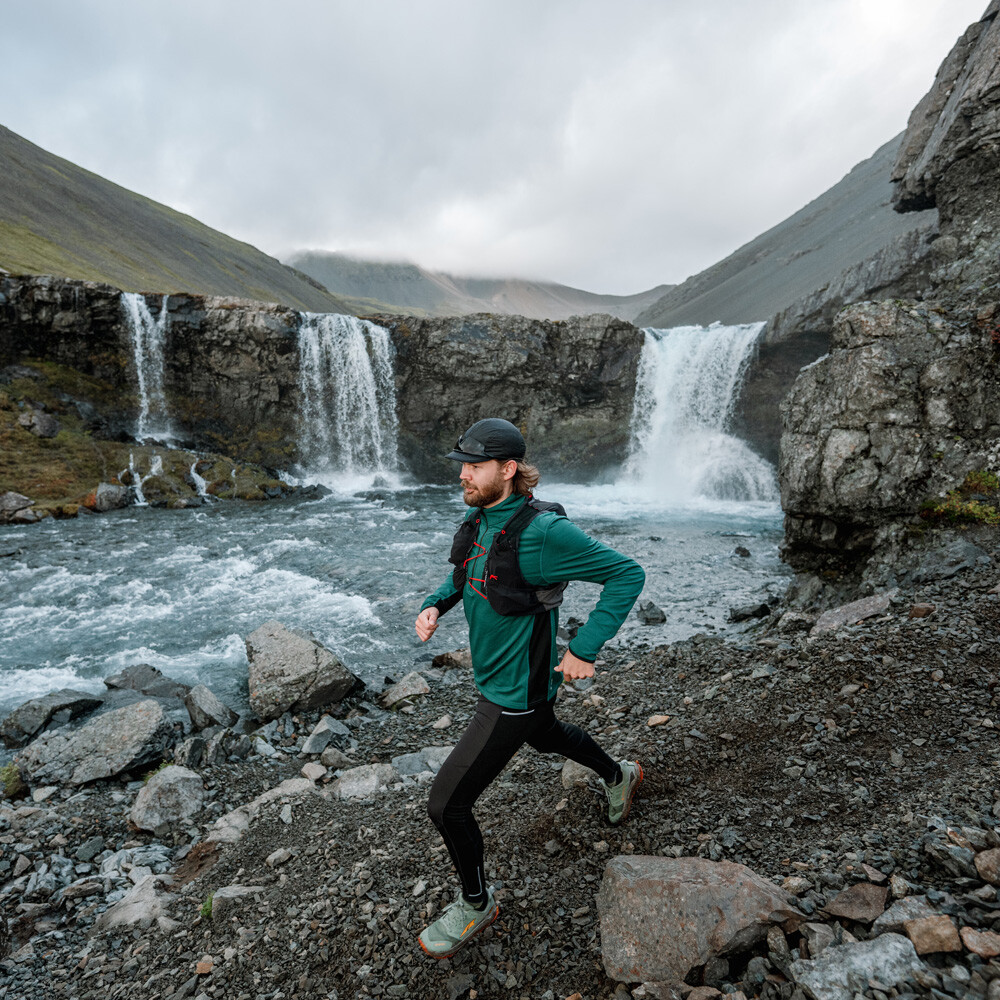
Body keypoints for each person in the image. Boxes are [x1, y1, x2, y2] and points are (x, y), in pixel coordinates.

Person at [414, 417, 646, 959]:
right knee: (546, 735)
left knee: (446, 805)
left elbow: (627, 574)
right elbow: (464, 573)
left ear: (508, 469)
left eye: (474, 466)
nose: (463, 475)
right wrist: (435, 605)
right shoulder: (479, 516)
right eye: (463, 465)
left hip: (512, 693)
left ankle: (476, 904)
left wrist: (584, 648)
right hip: (516, 684)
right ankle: (619, 774)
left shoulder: (544, 533)